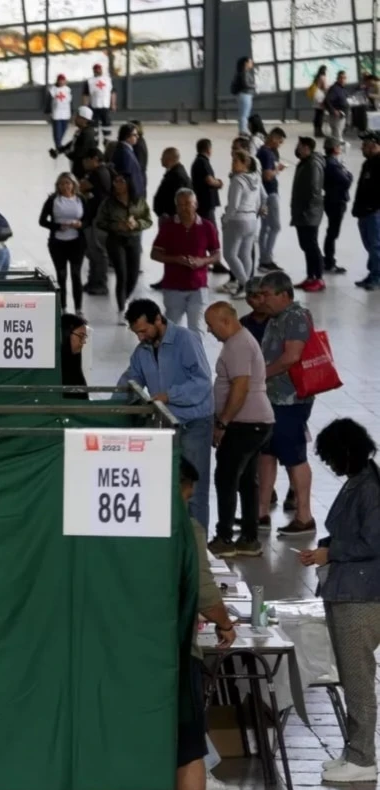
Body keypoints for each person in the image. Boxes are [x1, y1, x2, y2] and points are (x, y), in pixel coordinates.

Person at [297, 419, 380, 784]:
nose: (330, 466)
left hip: (360, 598)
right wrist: (327, 548)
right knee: (351, 675)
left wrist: (330, 554)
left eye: (331, 458)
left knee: (358, 679)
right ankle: (353, 749)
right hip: (348, 591)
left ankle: (363, 758)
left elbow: (373, 543)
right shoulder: (361, 482)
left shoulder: (369, 490)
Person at [118, 298, 214, 526]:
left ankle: (198, 546)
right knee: (168, 487)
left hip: (194, 423)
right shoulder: (143, 349)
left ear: (158, 320)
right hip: (166, 425)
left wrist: (169, 395)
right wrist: (113, 405)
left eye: (143, 330)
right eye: (136, 333)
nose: (140, 337)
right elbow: (131, 379)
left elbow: (202, 383)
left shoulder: (186, 340)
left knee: (194, 489)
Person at [176, 455, 237, 790]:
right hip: (176, 654)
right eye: (186, 497)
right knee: (188, 749)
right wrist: (225, 624)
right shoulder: (184, 529)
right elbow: (204, 590)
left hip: (113, 653)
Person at [202, 301, 275, 558]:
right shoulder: (241, 341)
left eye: (211, 325)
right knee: (246, 480)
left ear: (226, 321)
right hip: (256, 422)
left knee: (226, 477)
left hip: (245, 423)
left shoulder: (238, 345)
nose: (209, 330)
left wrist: (222, 422)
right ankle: (249, 538)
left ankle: (224, 538)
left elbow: (240, 388)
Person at [255, 271, 316, 536]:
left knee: (294, 455)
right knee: (267, 452)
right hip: (271, 398)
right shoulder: (277, 317)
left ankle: (304, 516)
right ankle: (260, 512)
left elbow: (292, 356)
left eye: (267, 294)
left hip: (290, 399)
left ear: (284, 294)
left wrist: (262, 374)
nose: (262, 300)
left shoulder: (295, 316)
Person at [151, 189, 220, 333]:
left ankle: (195, 355)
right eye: (180, 205)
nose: (184, 208)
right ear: (176, 207)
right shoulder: (168, 227)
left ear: (196, 204)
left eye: (188, 204)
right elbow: (155, 254)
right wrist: (176, 259)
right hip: (173, 287)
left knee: (197, 329)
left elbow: (216, 255)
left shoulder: (207, 226)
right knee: (170, 329)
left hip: (199, 287)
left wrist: (202, 261)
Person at [96, 172, 152, 314]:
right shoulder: (109, 202)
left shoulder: (138, 200)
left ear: (128, 183)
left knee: (133, 275)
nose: (117, 184)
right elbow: (100, 222)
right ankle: (122, 309)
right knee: (122, 273)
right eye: (115, 181)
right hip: (116, 240)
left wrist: (137, 224)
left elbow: (148, 220)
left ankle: (125, 298)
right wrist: (116, 226)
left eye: (121, 181)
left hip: (133, 239)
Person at [39, 172, 87, 311]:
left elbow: (88, 219)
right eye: (62, 184)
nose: (65, 186)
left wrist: (80, 224)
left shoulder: (80, 199)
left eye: (68, 183)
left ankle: (78, 308)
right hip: (58, 243)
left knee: (76, 274)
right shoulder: (53, 200)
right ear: (58, 186)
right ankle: (63, 306)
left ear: (73, 185)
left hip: (77, 242)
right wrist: (58, 226)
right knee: (61, 275)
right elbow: (42, 220)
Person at [221, 150, 265, 297]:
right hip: (252, 220)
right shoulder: (255, 178)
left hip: (237, 220)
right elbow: (259, 201)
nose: (232, 164)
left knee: (229, 254)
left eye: (235, 161)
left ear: (245, 164)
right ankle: (245, 285)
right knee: (245, 254)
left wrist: (225, 220)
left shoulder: (238, 180)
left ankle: (246, 286)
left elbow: (234, 205)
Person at [291, 136, 327, 292]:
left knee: (312, 246)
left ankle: (319, 278)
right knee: (305, 245)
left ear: (306, 148)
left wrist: (307, 211)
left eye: (299, 146)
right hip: (302, 213)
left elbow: (314, 191)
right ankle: (310, 276)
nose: (297, 149)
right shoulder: (304, 163)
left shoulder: (313, 165)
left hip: (309, 214)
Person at [79, 147, 114, 296]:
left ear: (94, 159)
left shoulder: (98, 173)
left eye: (86, 160)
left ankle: (100, 283)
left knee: (98, 253)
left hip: (97, 219)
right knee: (92, 252)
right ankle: (93, 281)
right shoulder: (102, 171)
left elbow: (80, 188)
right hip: (95, 217)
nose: (84, 163)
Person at [256, 127, 288, 271]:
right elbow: (267, 175)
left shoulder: (263, 152)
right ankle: (266, 259)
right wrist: (278, 170)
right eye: (279, 141)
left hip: (263, 194)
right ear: (274, 138)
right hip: (270, 193)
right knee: (275, 226)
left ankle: (263, 259)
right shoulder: (267, 154)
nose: (279, 144)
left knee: (265, 227)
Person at [322, 136, 352, 276]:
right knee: (333, 233)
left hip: (331, 199)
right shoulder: (333, 164)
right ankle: (329, 260)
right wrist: (348, 173)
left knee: (332, 232)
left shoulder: (327, 162)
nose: (340, 149)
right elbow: (346, 181)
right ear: (335, 149)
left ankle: (328, 259)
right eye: (339, 147)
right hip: (336, 201)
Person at [356, 131, 380, 290]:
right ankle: (372, 273)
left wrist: (374, 207)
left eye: (365, 145)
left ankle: (376, 277)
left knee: (376, 246)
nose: (362, 148)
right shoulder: (368, 163)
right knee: (369, 245)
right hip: (364, 211)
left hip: (374, 212)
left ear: (374, 145)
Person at [56, 106, 99, 175]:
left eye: (77, 117)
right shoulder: (84, 130)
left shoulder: (87, 133)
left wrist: (67, 153)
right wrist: (60, 150)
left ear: (84, 119)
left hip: (81, 169)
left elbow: (80, 153)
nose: (75, 118)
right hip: (78, 166)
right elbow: (74, 142)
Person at [153, 147, 192, 219]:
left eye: (163, 157)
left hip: (171, 218)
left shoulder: (177, 176)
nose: (161, 159)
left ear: (169, 159)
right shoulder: (172, 173)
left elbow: (179, 199)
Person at [83, 62, 116, 141]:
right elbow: (85, 95)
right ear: (93, 70)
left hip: (105, 106)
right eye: (96, 69)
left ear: (101, 70)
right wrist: (85, 107)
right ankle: (95, 141)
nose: (98, 71)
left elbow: (113, 92)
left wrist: (113, 104)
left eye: (99, 69)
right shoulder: (89, 81)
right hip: (94, 106)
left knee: (106, 124)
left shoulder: (108, 79)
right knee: (94, 125)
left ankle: (107, 140)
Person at [112, 123, 147, 198]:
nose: (137, 137)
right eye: (134, 135)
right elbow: (126, 177)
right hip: (131, 196)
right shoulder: (124, 152)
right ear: (127, 136)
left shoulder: (127, 150)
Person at [60, 312, 88, 398]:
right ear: (66, 335)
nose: (83, 342)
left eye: (84, 337)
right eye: (80, 336)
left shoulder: (74, 363)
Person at [45, 75, 73, 152]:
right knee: (57, 131)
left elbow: (70, 102)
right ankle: (58, 146)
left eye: (63, 80)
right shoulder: (53, 90)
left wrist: (72, 112)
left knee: (64, 129)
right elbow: (49, 102)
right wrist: (48, 112)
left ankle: (59, 144)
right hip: (56, 113)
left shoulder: (68, 90)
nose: (61, 82)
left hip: (66, 113)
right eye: (60, 80)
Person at [232, 57, 257, 134]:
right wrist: (254, 85)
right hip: (245, 94)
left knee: (243, 113)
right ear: (245, 63)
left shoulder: (242, 72)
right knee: (244, 113)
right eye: (250, 62)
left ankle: (242, 129)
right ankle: (243, 130)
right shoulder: (244, 72)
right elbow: (246, 84)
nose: (251, 63)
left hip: (243, 95)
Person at [325, 70, 351, 141]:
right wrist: (333, 111)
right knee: (337, 136)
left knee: (337, 135)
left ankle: (336, 148)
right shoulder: (334, 89)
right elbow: (327, 101)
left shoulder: (342, 89)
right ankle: (336, 149)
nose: (343, 80)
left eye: (344, 78)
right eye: (341, 78)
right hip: (337, 116)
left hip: (342, 115)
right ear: (337, 78)